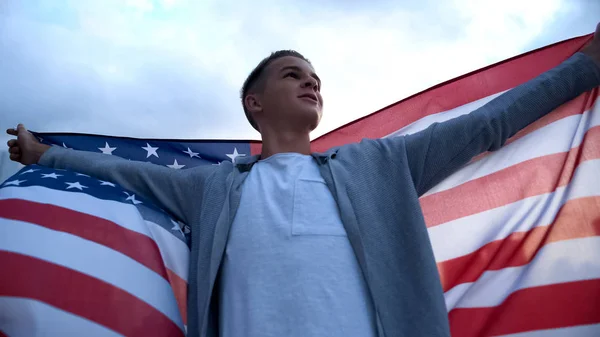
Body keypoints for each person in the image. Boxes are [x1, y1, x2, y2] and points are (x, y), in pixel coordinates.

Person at [7, 23, 600, 337]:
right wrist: (45, 155)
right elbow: (121, 171)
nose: (311, 83)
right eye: (293, 75)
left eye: (315, 77)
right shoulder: (212, 189)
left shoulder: (380, 165)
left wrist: (585, 69)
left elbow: (489, 123)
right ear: (255, 103)